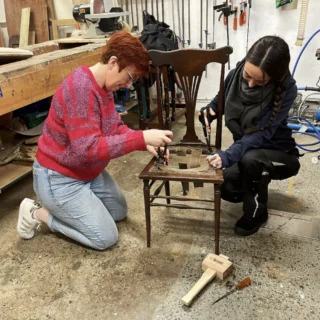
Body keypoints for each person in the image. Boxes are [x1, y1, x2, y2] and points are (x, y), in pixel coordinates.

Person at [17, 31, 173, 250]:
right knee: (104, 237)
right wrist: (141, 137)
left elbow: (114, 127)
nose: (128, 85)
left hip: (87, 172)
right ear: (113, 62)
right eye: (129, 77)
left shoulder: (104, 86)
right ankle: (36, 213)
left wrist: (146, 143)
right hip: (59, 178)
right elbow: (87, 149)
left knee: (119, 212)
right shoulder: (81, 89)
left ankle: (77, 204)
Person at [199, 35, 300, 236]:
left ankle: (256, 212)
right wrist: (209, 111)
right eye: (248, 76)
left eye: (260, 81)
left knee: (251, 159)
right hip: (248, 151)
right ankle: (256, 182)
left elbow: (261, 135)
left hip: (279, 154)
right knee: (226, 185)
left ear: (275, 77)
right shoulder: (235, 74)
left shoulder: (287, 88)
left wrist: (228, 156)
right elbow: (220, 99)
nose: (251, 84)